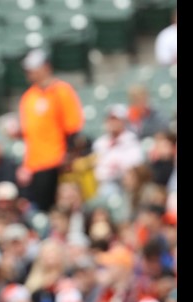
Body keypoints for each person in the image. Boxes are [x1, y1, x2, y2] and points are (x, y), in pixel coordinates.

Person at [14, 49, 84, 214]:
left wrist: (68, 155)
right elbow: (30, 132)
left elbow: (73, 127)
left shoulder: (62, 91)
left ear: (46, 67)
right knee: (40, 210)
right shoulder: (28, 97)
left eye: (33, 69)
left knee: (60, 210)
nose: (30, 73)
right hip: (35, 165)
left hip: (57, 163)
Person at [91, 104, 146, 200]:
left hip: (124, 184)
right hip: (102, 183)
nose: (113, 123)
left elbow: (135, 166)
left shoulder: (131, 140)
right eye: (111, 119)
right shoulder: (100, 142)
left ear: (124, 121)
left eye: (116, 120)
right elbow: (97, 167)